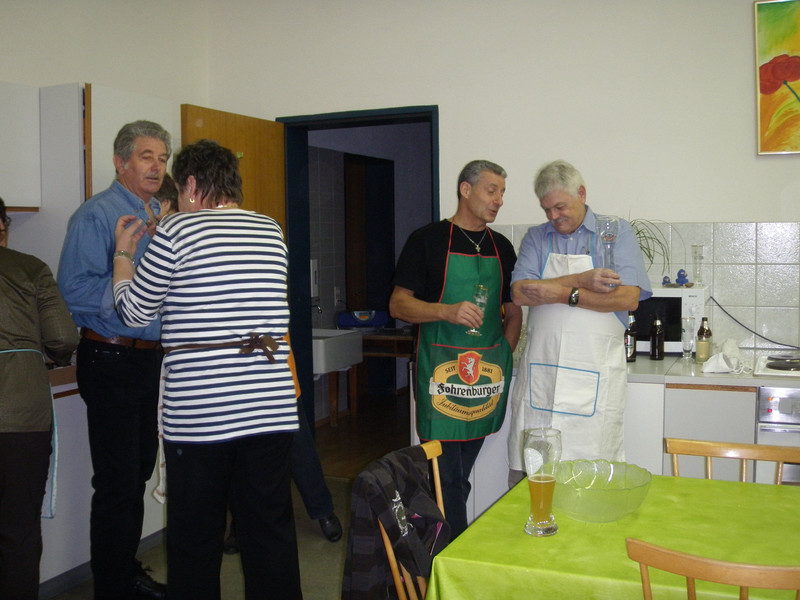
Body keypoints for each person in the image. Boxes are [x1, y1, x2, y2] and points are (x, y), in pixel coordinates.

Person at [112, 139, 303, 599]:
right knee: (269, 531)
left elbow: (133, 312)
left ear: (193, 184)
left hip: (202, 414)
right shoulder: (270, 229)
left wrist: (123, 256)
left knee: (195, 538)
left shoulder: (177, 230)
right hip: (269, 406)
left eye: (180, 190)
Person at [57, 120, 171, 599]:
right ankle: (113, 586)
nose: (157, 167)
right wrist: (133, 287)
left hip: (149, 360)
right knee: (118, 481)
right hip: (109, 356)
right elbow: (73, 290)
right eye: (147, 157)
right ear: (120, 162)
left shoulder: (162, 215)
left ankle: (124, 571)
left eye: (162, 159)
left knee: (139, 472)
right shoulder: (96, 215)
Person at [389, 159, 522, 538]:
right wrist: (445, 311)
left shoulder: (502, 247)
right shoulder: (427, 240)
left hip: (485, 380)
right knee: (446, 478)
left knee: (456, 478)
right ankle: (450, 554)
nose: (498, 200)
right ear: (466, 189)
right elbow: (398, 305)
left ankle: (434, 544)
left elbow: (514, 311)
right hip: (441, 378)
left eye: (502, 193)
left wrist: (505, 353)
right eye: (491, 190)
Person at [507, 159, 652, 485]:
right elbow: (519, 293)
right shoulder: (536, 238)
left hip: (595, 377)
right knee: (533, 477)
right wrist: (583, 280)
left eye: (560, 207)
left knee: (591, 477)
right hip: (542, 378)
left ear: (582, 194)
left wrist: (561, 293)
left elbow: (628, 298)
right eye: (547, 209)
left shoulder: (614, 234)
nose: (553, 216)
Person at [0, 197, 79, 599]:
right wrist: (50, 355)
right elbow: (62, 337)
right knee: (19, 530)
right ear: (3, 227)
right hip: (22, 416)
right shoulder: (30, 268)